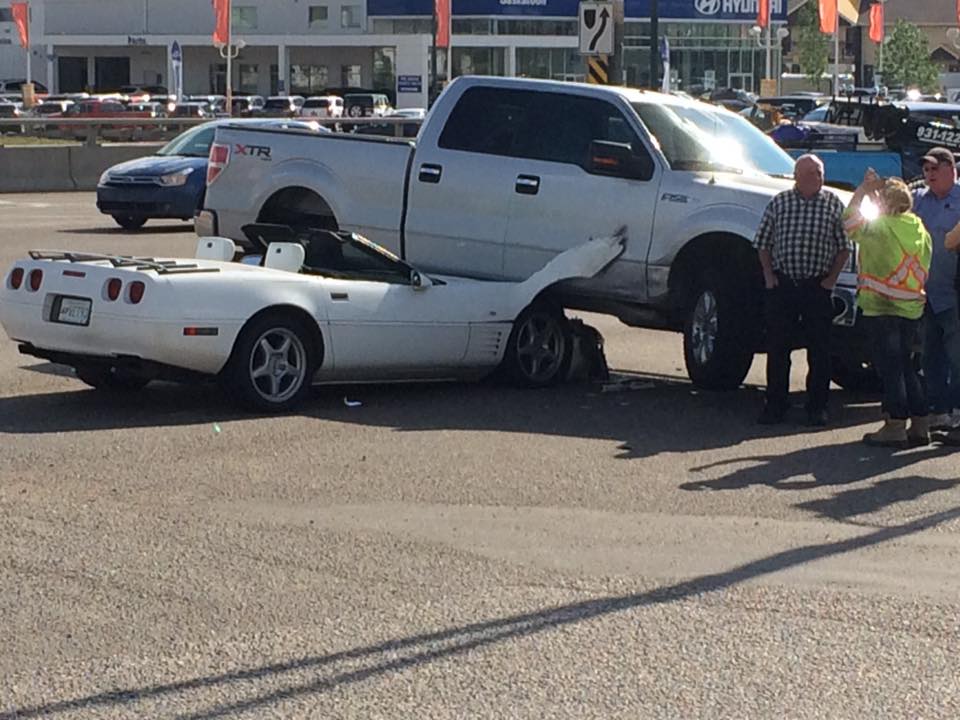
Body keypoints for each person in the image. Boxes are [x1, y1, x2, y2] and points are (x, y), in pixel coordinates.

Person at [754, 154, 852, 426]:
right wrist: (769, 276)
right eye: (810, 173)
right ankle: (775, 405)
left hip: (817, 286)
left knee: (820, 351)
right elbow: (762, 242)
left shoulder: (833, 204)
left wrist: (831, 280)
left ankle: (817, 407)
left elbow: (845, 247)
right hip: (783, 285)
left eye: (819, 173)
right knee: (778, 348)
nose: (816, 178)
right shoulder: (780, 202)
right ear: (796, 176)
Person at [844, 171, 933, 447]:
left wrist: (862, 190)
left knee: (890, 368)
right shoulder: (919, 228)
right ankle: (920, 425)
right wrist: (875, 192)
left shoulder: (880, 227)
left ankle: (894, 425)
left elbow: (849, 222)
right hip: (912, 307)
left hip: (881, 307)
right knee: (908, 367)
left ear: (886, 204)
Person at [912, 147, 960, 442]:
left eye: (934, 169)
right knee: (932, 356)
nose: (928, 175)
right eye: (926, 170)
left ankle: (957, 413)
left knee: (958, 357)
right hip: (925, 294)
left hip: (954, 294)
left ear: (951, 169)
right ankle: (939, 411)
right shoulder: (919, 200)